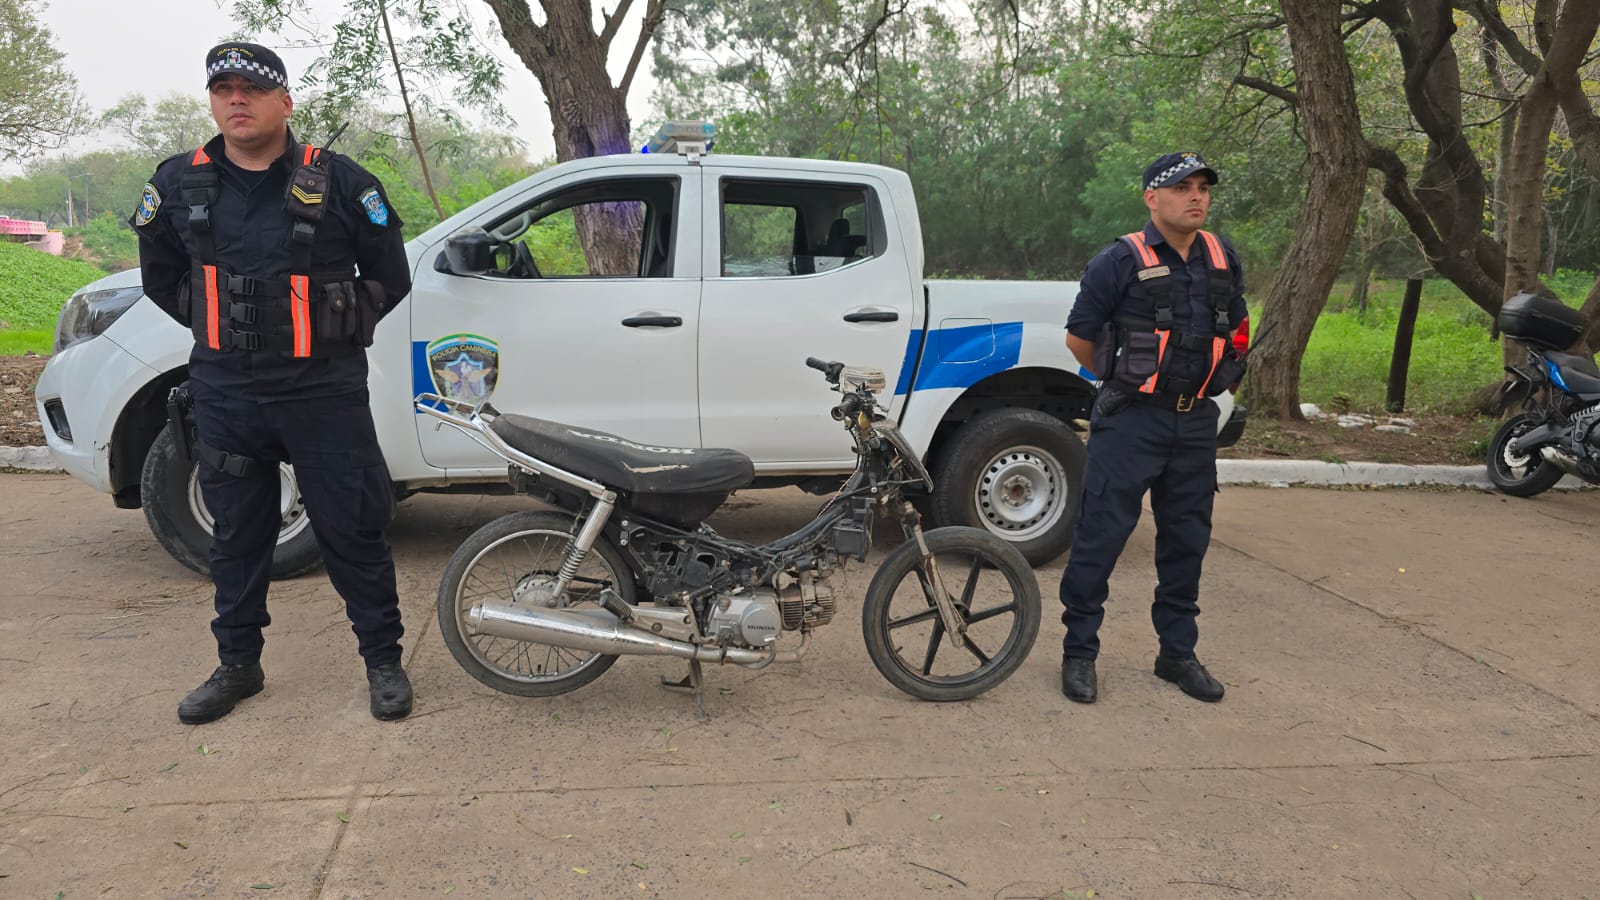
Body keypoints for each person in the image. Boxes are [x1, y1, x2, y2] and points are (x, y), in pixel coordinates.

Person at [131, 42, 414, 724]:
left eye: (251, 90)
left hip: (322, 392)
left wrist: (335, 324)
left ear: (284, 102)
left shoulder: (343, 182)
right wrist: (221, 326)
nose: (236, 100)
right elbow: (161, 278)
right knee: (237, 536)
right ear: (212, 101)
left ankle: (383, 661)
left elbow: (390, 275)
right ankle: (238, 666)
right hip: (227, 391)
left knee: (353, 529)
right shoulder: (177, 184)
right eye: (222, 89)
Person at [1058, 151, 1248, 705]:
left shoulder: (1222, 256)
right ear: (1152, 198)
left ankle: (1176, 655)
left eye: (1202, 188)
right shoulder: (1117, 261)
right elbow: (1079, 340)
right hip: (1131, 422)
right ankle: (1079, 654)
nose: (1196, 197)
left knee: (1187, 541)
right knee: (1100, 538)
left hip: (1194, 424)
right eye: (1182, 187)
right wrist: (1126, 383)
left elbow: (1236, 326)